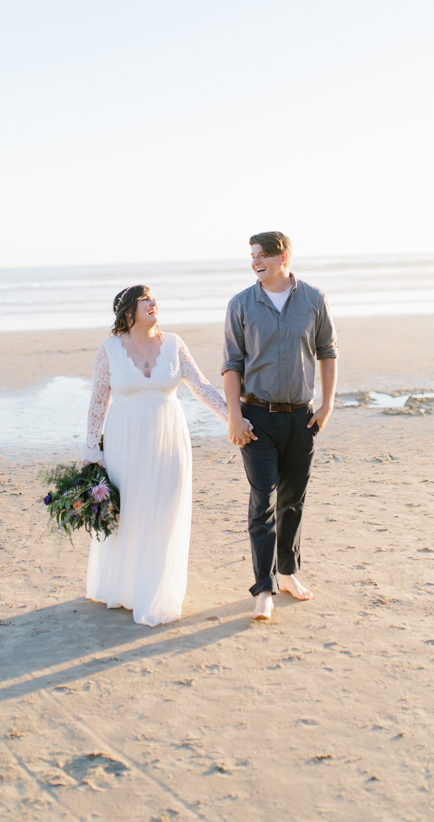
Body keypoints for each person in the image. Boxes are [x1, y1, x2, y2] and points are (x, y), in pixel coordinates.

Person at [82, 285, 229, 627]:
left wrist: (231, 418)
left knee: (165, 508)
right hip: (125, 440)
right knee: (131, 511)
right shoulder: (109, 350)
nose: (153, 302)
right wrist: (92, 449)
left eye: (154, 298)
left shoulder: (174, 344)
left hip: (169, 437)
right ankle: (126, 587)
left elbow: (201, 385)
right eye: (145, 299)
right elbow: (97, 400)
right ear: (128, 312)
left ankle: (157, 590)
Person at [222, 231, 338, 621]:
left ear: (282, 256)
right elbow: (232, 364)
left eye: (262, 255)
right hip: (255, 417)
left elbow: (328, 351)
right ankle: (264, 588)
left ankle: (287, 572)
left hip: (301, 417)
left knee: (292, 500)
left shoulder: (313, 299)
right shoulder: (240, 304)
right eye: (252, 255)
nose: (255, 261)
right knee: (263, 500)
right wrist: (234, 416)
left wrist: (327, 405)